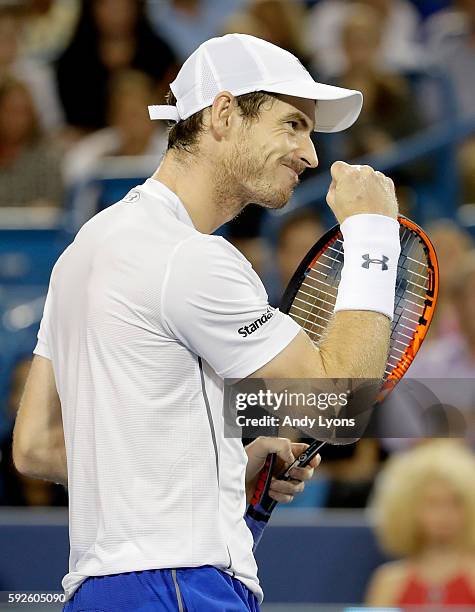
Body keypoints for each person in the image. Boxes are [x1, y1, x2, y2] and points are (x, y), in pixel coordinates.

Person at [13, 33, 400, 611]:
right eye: (293, 124)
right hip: (181, 588)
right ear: (223, 112)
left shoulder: (83, 250)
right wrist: (373, 236)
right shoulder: (191, 257)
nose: (312, 154)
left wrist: (225, 467)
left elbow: (36, 446)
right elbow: (338, 402)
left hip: (100, 592)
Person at [366, 440, 475, 607]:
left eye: (455, 502)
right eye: (432, 503)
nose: (444, 514)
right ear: (407, 508)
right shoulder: (390, 580)